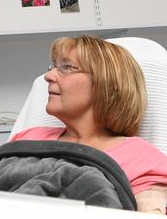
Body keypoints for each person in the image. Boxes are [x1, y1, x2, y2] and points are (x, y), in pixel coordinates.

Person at [11, 35, 167, 213]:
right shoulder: (27, 138)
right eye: (53, 66)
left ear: (109, 86)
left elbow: (150, 212)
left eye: (67, 67)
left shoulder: (140, 157)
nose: (48, 76)